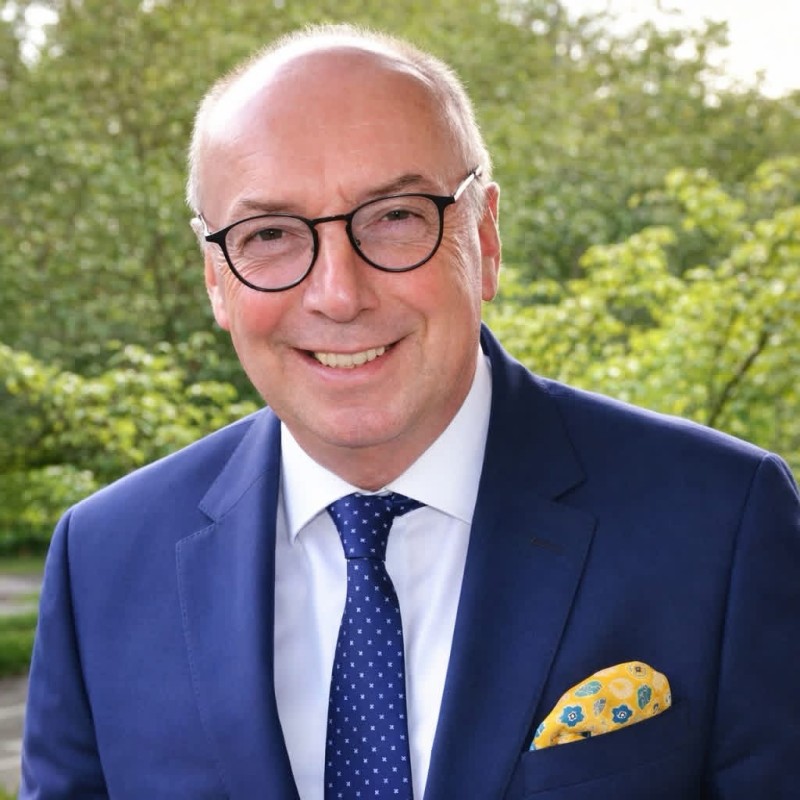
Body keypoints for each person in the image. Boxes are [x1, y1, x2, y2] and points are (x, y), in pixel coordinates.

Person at [20, 23, 800, 800]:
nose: (338, 294)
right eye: (270, 234)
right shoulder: (104, 562)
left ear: (485, 237)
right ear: (216, 281)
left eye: (395, 217)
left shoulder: (721, 524)